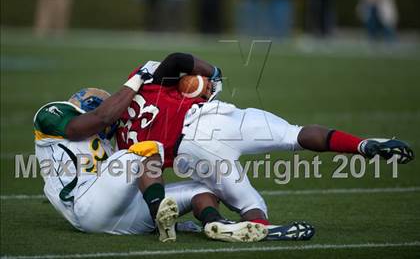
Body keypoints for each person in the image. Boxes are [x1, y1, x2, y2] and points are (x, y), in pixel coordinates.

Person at [116, 52, 415, 239]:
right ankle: (361, 145)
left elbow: (147, 167)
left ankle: (252, 226)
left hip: (188, 153)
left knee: (248, 203)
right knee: (294, 135)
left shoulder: (120, 138)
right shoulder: (145, 81)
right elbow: (178, 59)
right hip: (209, 120)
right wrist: (214, 71)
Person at [33, 66, 268, 242]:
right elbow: (98, 119)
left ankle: (216, 224)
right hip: (84, 203)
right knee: (148, 147)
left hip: (120, 215)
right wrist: (136, 81)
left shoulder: (107, 145)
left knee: (202, 189)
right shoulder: (52, 115)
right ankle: (160, 215)